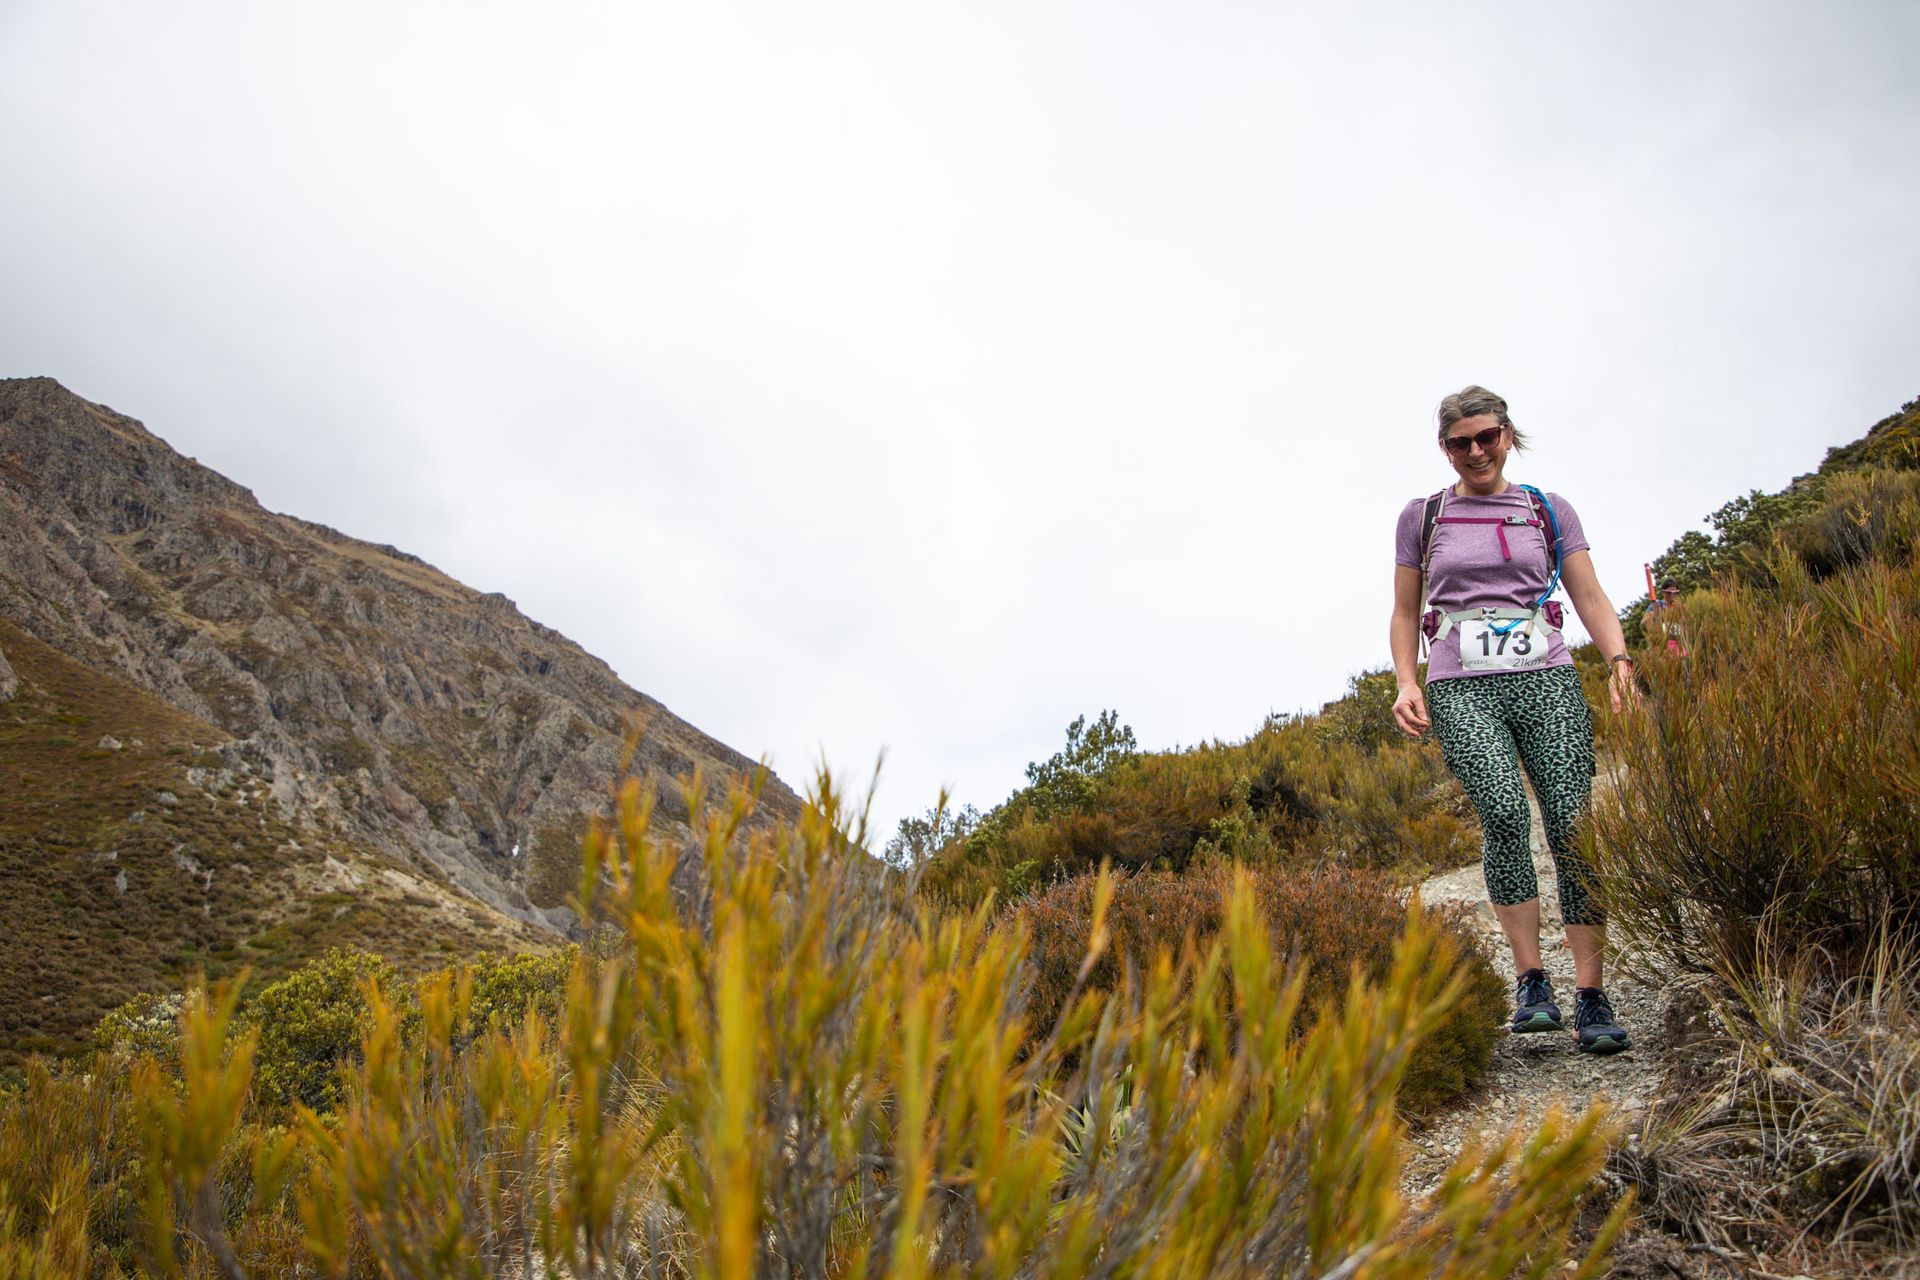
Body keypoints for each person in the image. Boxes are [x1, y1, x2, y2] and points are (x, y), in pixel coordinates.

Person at [1388, 385, 1638, 1054]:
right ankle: (1533, 982)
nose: (1476, 451)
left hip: (1547, 678)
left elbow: (1587, 591)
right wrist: (1406, 681)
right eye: (1460, 442)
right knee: (1501, 811)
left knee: (1572, 824)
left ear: (1507, 434)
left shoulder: (1545, 509)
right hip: (1460, 685)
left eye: (1487, 436)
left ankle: (1591, 993)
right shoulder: (1424, 516)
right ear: (1444, 449)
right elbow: (1407, 611)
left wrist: (1619, 660)